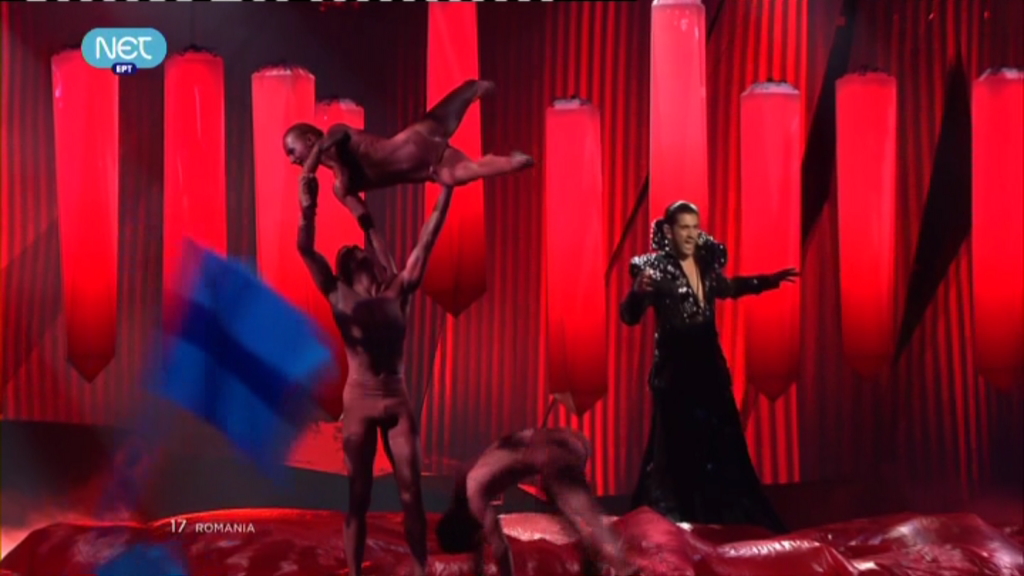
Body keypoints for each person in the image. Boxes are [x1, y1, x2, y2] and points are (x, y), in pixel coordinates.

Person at [296, 174, 458, 576]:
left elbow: (427, 240)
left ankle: (420, 570)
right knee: (358, 497)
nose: (367, 252)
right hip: (361, 402)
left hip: (396, 400)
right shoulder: (339, 294)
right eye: (360, 253)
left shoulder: (397, 290)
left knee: (412, 494)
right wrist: (308, 208)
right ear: (354, 268)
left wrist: (447, 190)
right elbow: (305, 249)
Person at [619, 201, 796, 533]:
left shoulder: (704, 268)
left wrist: (768, 282)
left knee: (723, 447)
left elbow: (731, 288)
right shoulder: (655, 270)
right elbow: (629, 317)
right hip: (675, 375)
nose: (691, 235)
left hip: (709, 371)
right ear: (669, 231)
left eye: (695, 227)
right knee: (674, 451)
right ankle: (674, 523)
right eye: (684, 228)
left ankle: (723, 517)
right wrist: (636, 294)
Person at [284, 79, 534, 202]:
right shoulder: (341, 186)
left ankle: (477, 88)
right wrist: (389, 270)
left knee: (472, 89)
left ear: (309, 139)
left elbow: (321, 147)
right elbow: (368, 227)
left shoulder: (337, 133)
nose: (292, 159)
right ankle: (514, 162)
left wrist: (305, 177)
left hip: (417, 138)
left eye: (292, 151)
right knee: (462, 174)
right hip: (428, 169)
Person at [436, 428, 638, 576]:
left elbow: (500, 549)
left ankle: (618, 564)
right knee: (570, 506)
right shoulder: (470, 480)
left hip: (552, 449)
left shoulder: (475, 496)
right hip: (566, 441)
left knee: (576, 507)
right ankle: (594, 552)